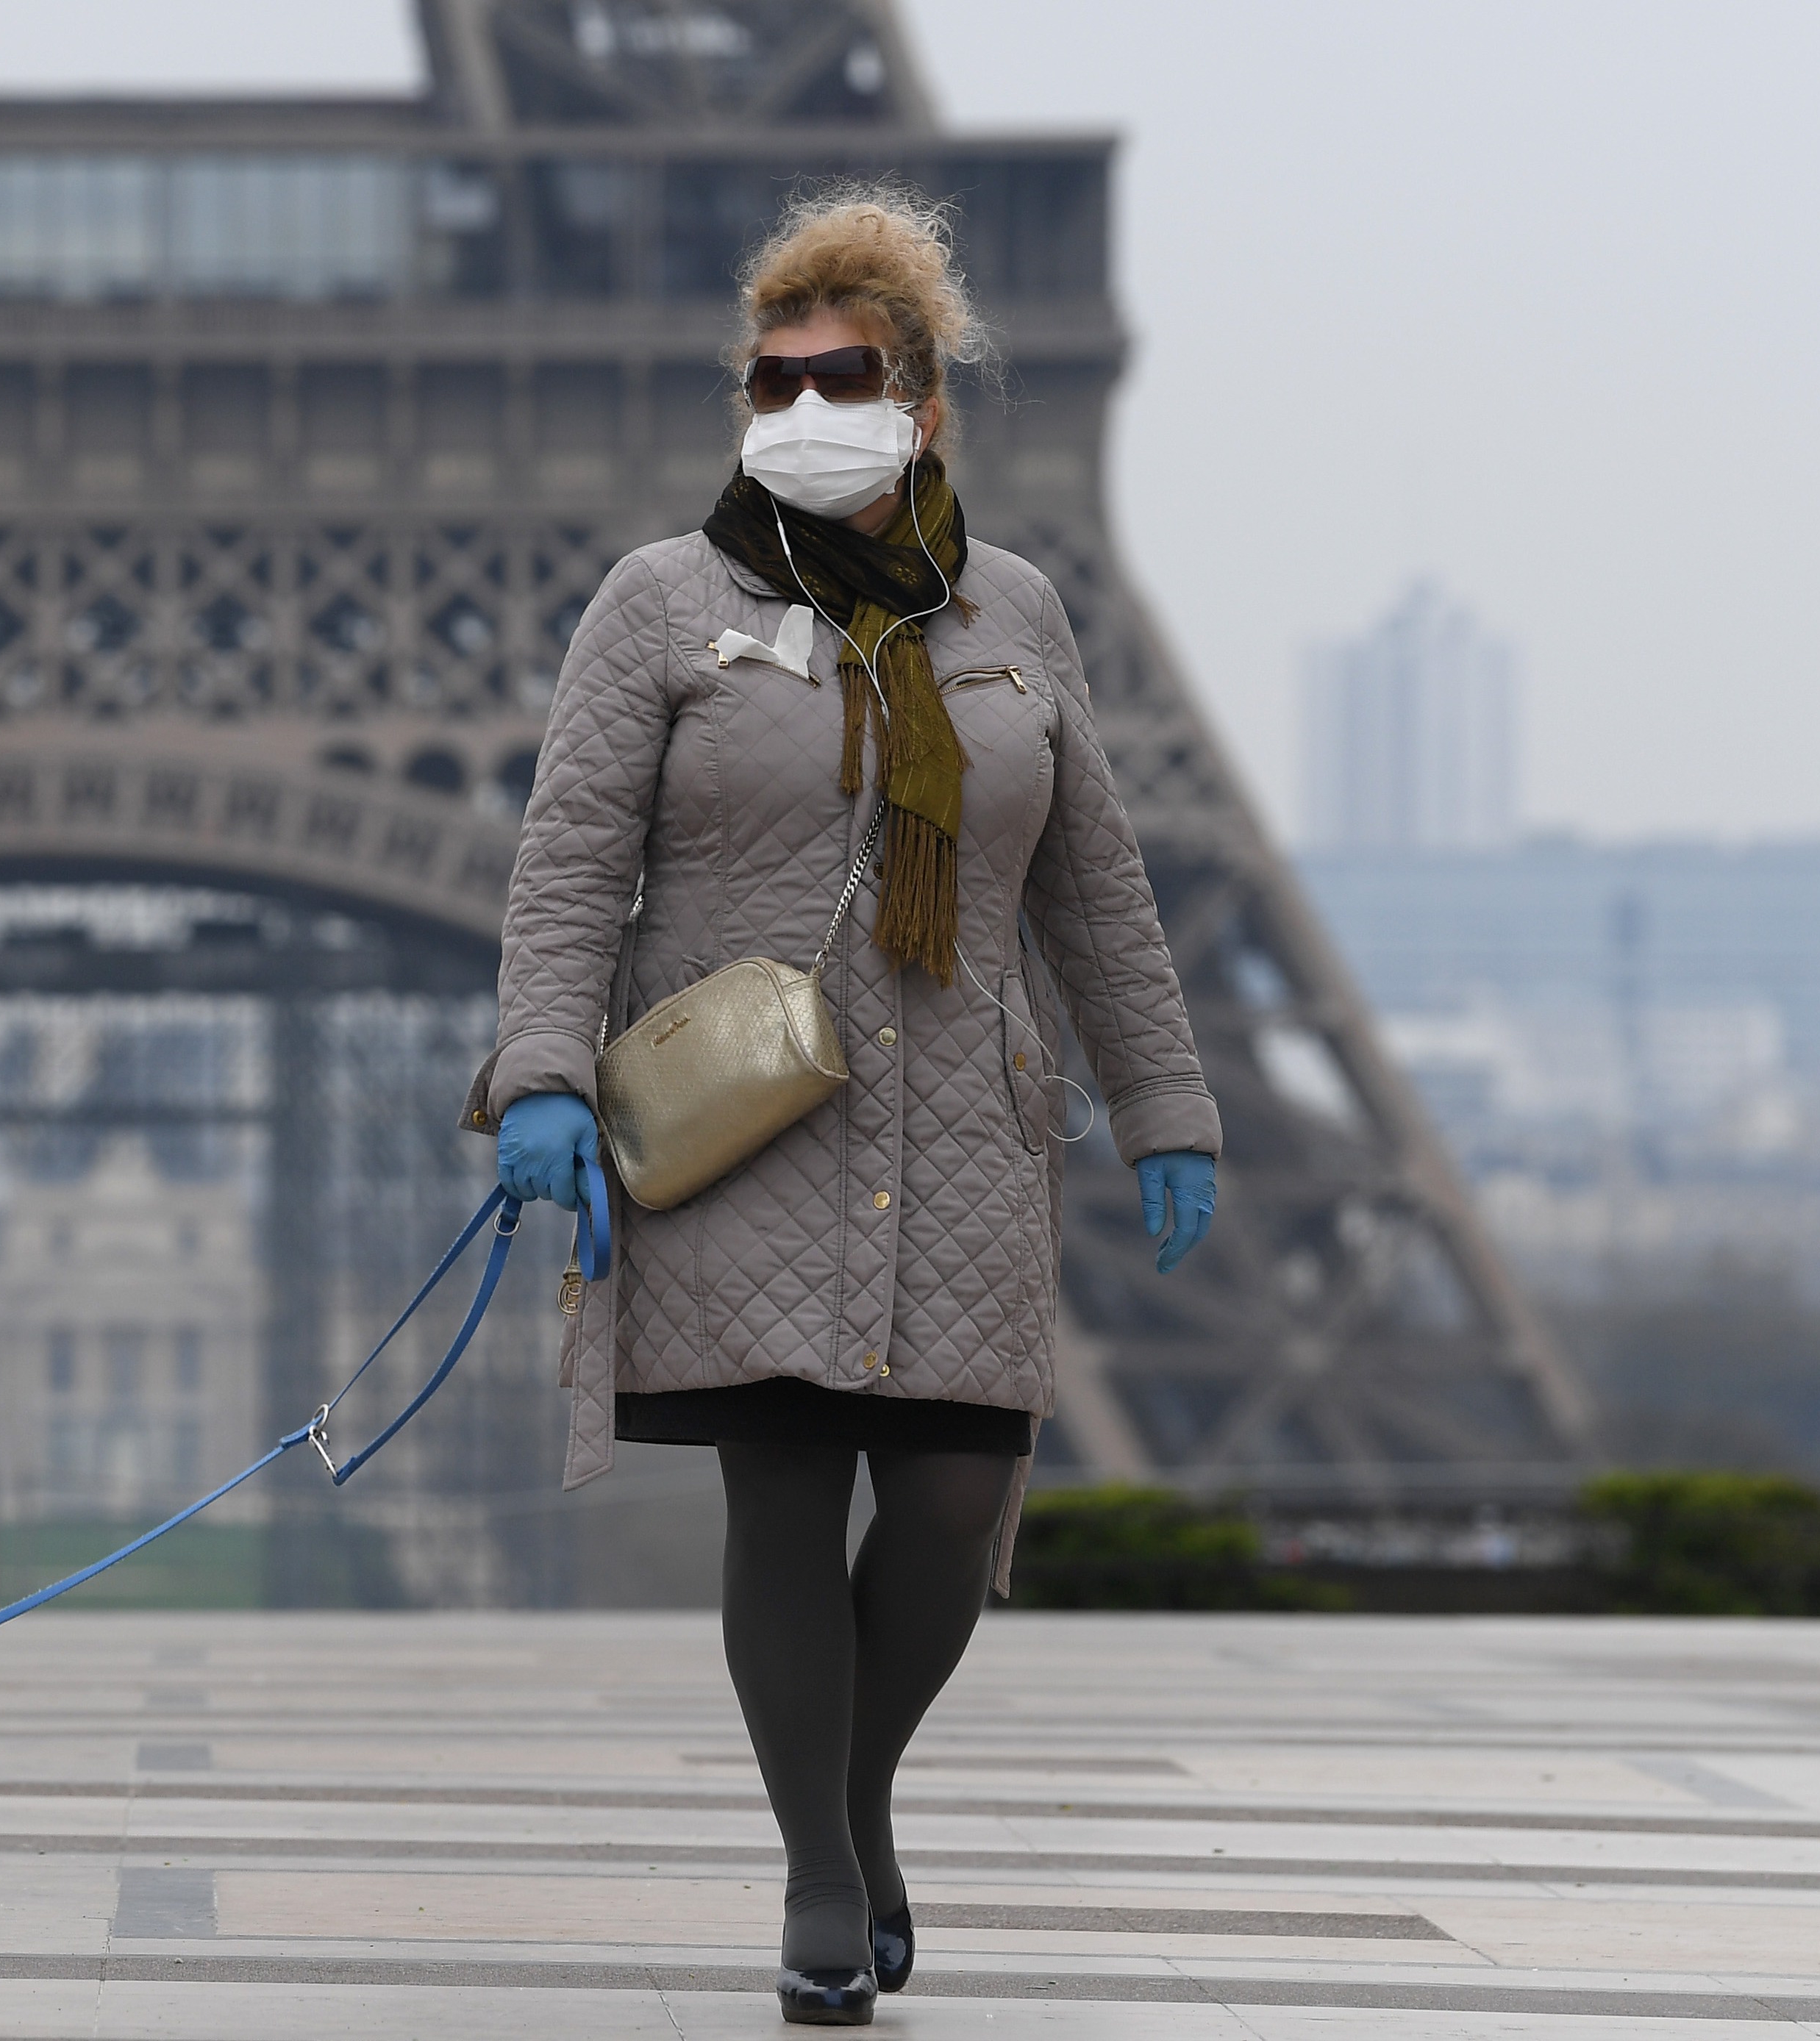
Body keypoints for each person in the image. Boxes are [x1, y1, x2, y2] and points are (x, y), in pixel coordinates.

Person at [475, 192, 1220, 2026]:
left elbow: (1096, 884)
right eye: (771, 373)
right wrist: (542, 1079)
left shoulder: (1014, 610)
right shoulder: (661, 600)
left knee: (958, 1491)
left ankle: (850, 1792)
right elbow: (567, 861)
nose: (801, 400)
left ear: (923, 402)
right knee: (786, 1489)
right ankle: (820, 1871)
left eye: (841, 372)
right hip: (751, 1120)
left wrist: (1166, 1098)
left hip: (963, 1114)